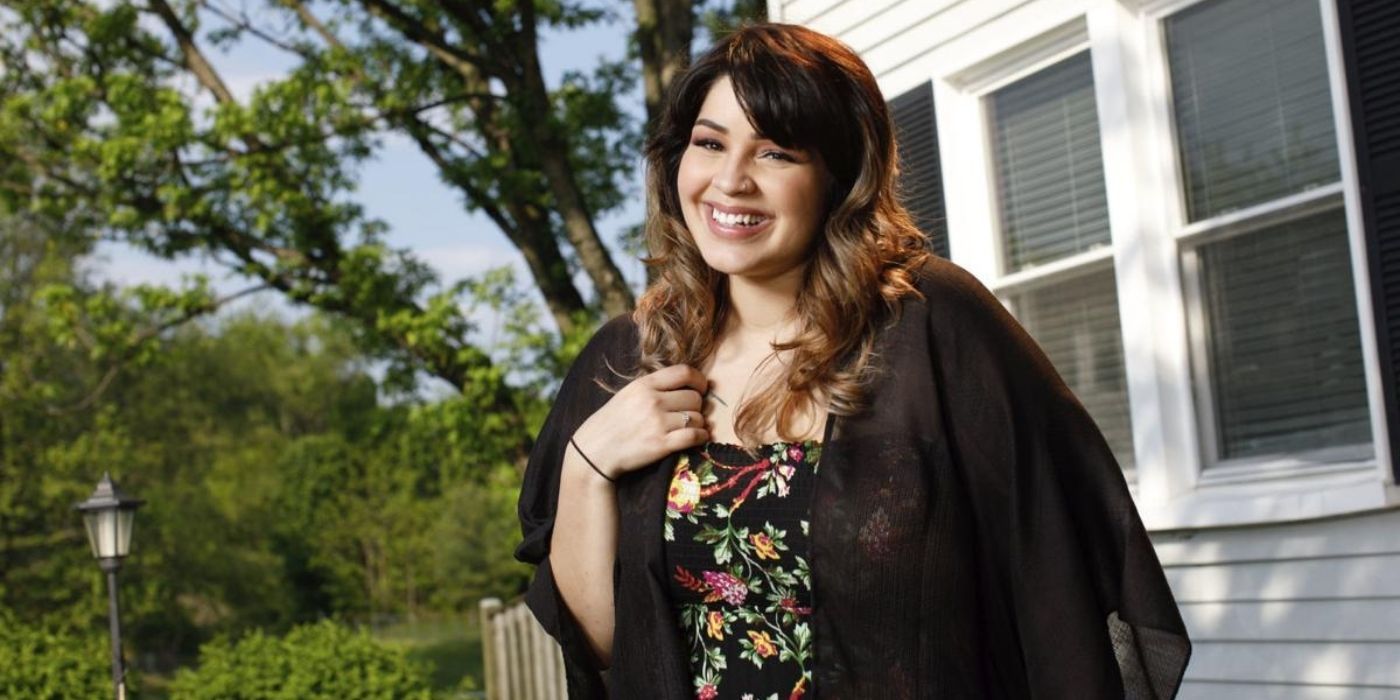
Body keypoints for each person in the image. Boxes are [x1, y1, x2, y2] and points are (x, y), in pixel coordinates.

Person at [516, 23, 1191, 699]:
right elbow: (603, 648)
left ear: (839, 178)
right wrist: (586, 466)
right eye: (710, 142)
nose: (730, 180)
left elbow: (1061, 567)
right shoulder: (625, 358)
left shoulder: (933, 324)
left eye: (776, 153)